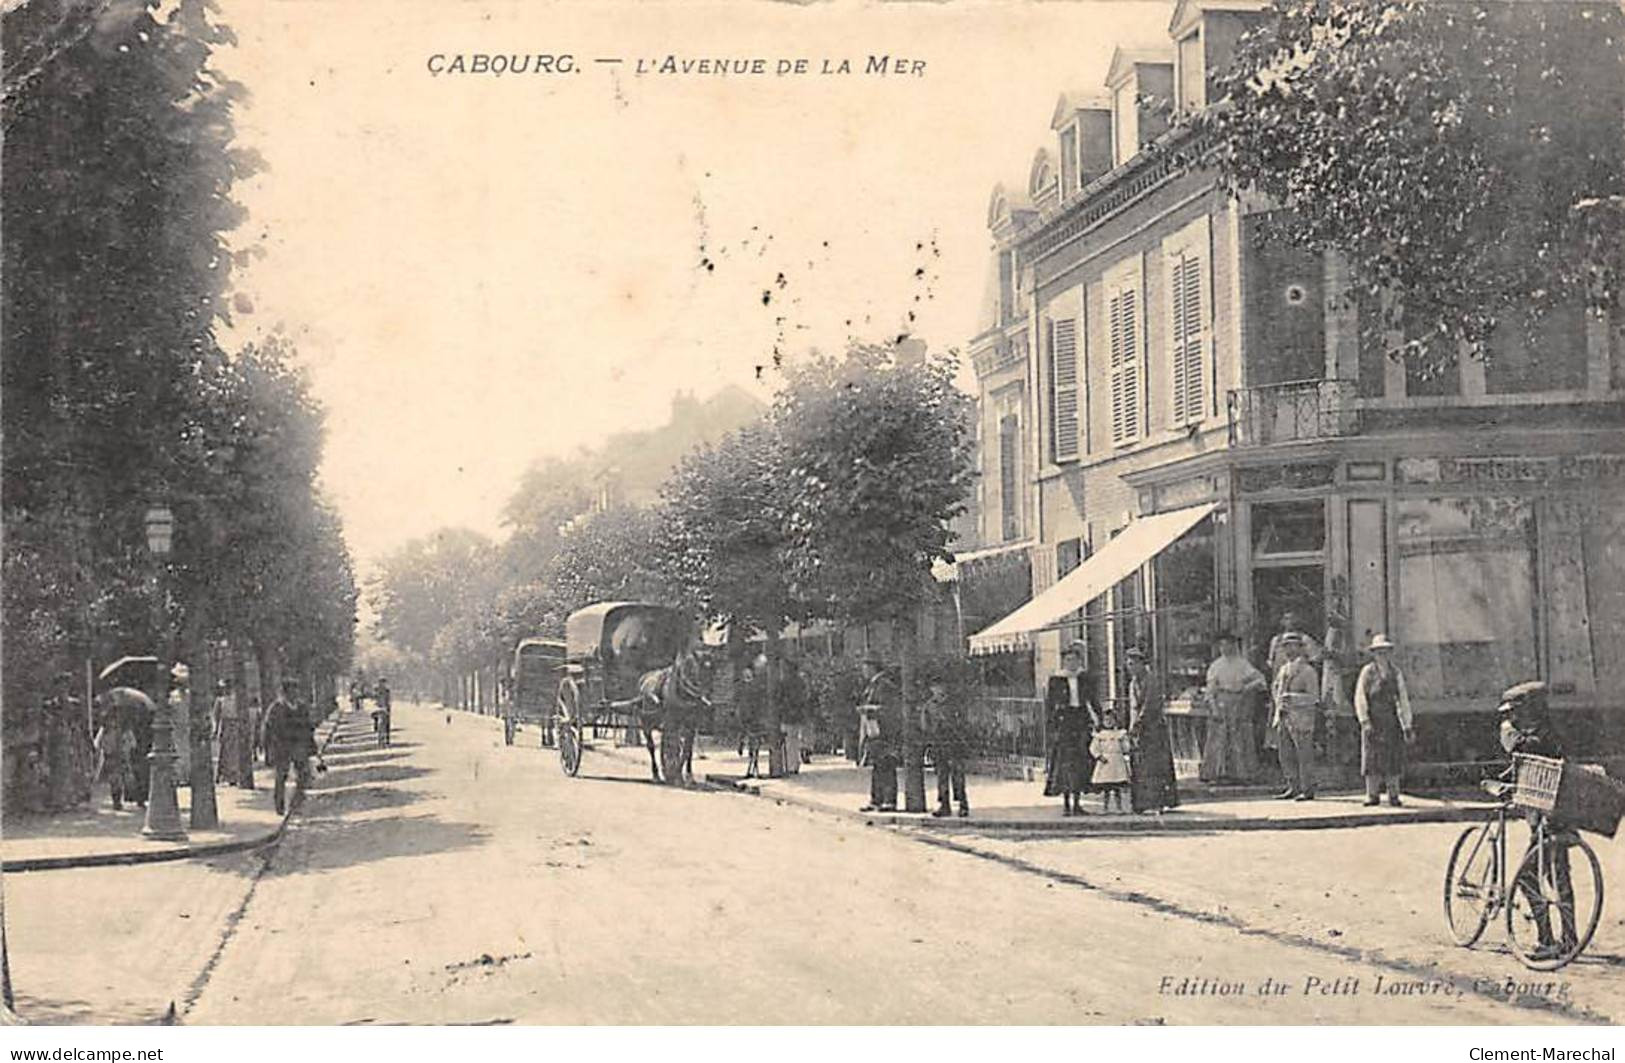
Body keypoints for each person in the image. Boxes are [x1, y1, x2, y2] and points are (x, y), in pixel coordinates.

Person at [1496, 681, 1576, 959]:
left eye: (1516, 712)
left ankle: (1546, 940)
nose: (1511, 718)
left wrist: (1510, 737)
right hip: (1558, 818)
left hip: (1547, 821)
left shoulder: (1535, 740)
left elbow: (1524, 753)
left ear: (1530, 711)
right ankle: (1570, 938)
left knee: (1527, 876)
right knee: (1560, 876)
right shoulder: (1551, 734)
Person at [1353, 634, 1413, 807]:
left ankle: (1393, 795)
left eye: (1385, 651)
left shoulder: (1396, 672)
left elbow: (1402, 699)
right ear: (1374, 653)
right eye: (1379, 652)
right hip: (1373, 720)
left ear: (1389, 653)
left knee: (1393, 758)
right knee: (1371, 758)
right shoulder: (1367, 672)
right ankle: (1372, 795)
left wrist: (1406, 725)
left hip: (1391, 721)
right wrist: (1364, 720)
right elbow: (1360, 697)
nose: (1382, 655)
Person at [1201, 632, 1267, 783]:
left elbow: (1260, 680)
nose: (1224, 648)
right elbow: (1210, 690)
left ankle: (1241, 774)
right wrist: (1214, 707)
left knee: (1239, 736)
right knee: (1219, 737)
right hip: (1221, 702)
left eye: (1227, 645)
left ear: (1234, 645)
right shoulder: (1216, 665)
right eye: (1221, 645)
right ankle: (1217, 773)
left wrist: (1245, 688)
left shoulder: (1242, 664)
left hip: (1239, 703)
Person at [1044, 641, 1100, 817]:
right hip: (1064, 721)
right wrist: (1052, 725)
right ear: (1063, 662)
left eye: (1074, 660)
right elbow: (1050, 704)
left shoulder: (1084, 678)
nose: (1072, 664)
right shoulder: (1057, 679)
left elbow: (1092, 700)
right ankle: (1066, 803)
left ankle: (1077, 802)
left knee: (1081, 761)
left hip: (1080, 719)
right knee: (1065, 763)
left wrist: (1098, 718)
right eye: (1068, 660)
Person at [1126, 646, 1180, 813]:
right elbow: (1133, 707)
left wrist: (1138, 723)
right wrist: (1131, 726)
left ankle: (1158, 802)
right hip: (1139, 730)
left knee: (1155, 766)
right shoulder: (1133, 683)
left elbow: (1150, 705)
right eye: (1129, 664)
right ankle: (1142, 803)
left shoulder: (1151, 680)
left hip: (1153, 728)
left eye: (1134, 663)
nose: (1131, 667)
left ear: (1142, 664)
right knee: (1140, 766)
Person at [1271, 632, 1321, 800]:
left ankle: (1307, 788)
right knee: (1285, 753)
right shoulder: (1283, 669)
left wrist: (1293, 698)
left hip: (1302, 717)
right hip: (1284, 716)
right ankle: (1292, 785)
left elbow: (1314, 697)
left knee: (1304, 754)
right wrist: (1278, 703)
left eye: (1292, 645)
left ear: (1300, 648)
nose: (1288, 650)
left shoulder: (1308, 671)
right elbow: (1276, 689)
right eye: (1285, 646)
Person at [261, 679, 315, 815]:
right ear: (285, 692)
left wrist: (311, 745)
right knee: (281, 777)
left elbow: (308, 727)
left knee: (304, 775)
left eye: (296, 690)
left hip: (299, 746)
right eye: (291, 691)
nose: (295, 693)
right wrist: (267, 749)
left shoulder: (302, 707)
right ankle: (279, 807)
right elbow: (268, 729)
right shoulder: (276, 708)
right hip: (282, 747)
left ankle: (296, 804)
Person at [857, 657, 902, 813]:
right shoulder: (873, 685)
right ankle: (877, 799)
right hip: (874, 730)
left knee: (886, 764)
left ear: (873, 668)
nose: (863, 671)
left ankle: (889, 800)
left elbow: (889, 708)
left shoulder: (884, 685)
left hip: (884, 731)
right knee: (877, 765)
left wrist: (869, 708)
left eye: (865, 668)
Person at [924, 675, 972, 818]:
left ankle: (963, 805)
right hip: (938, 744)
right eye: (935, 687)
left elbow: (963, 722)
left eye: (941, 686)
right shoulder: (929, 706)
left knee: (958, 776)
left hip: (954, 743)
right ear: (931, 689)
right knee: (942, 777)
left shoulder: (954, 703)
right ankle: (944, 805)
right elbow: (925, 725)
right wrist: (929, 742)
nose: (938, 689)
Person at [1090, 708, 1131, 813]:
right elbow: (1093, 747)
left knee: (1117, 787)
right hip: (1106, 762)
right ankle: (1105, 807)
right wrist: (1099, 756)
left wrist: (1125, 743)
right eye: (1106, 720)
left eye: (1111, 720)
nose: (1109, 722)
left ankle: (1119, 807)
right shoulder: (1100, 735)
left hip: (1117, 762)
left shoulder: (1119, 734)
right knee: (1106, 788)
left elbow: (1126, 748)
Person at [777, 658, 810, 776]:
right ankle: (795, 764)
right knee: (795, 740)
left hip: (787, 714)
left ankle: (791, 766)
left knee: (789, 741)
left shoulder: (784, 682)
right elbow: (804, 697)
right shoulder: (800, 682)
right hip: (798, 714)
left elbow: (780, 698)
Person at [373, 677, 393, 748]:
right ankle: (380, 740)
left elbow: (388, 700)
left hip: (385, 709)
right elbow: (374, 699)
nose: (383, 684)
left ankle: (387, 740)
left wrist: (388, 708)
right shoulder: (376, 690)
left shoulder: (387, 691)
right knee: (378, 723)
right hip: (378, 708)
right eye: (381, 682)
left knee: (387, 725)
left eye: (384, 682)